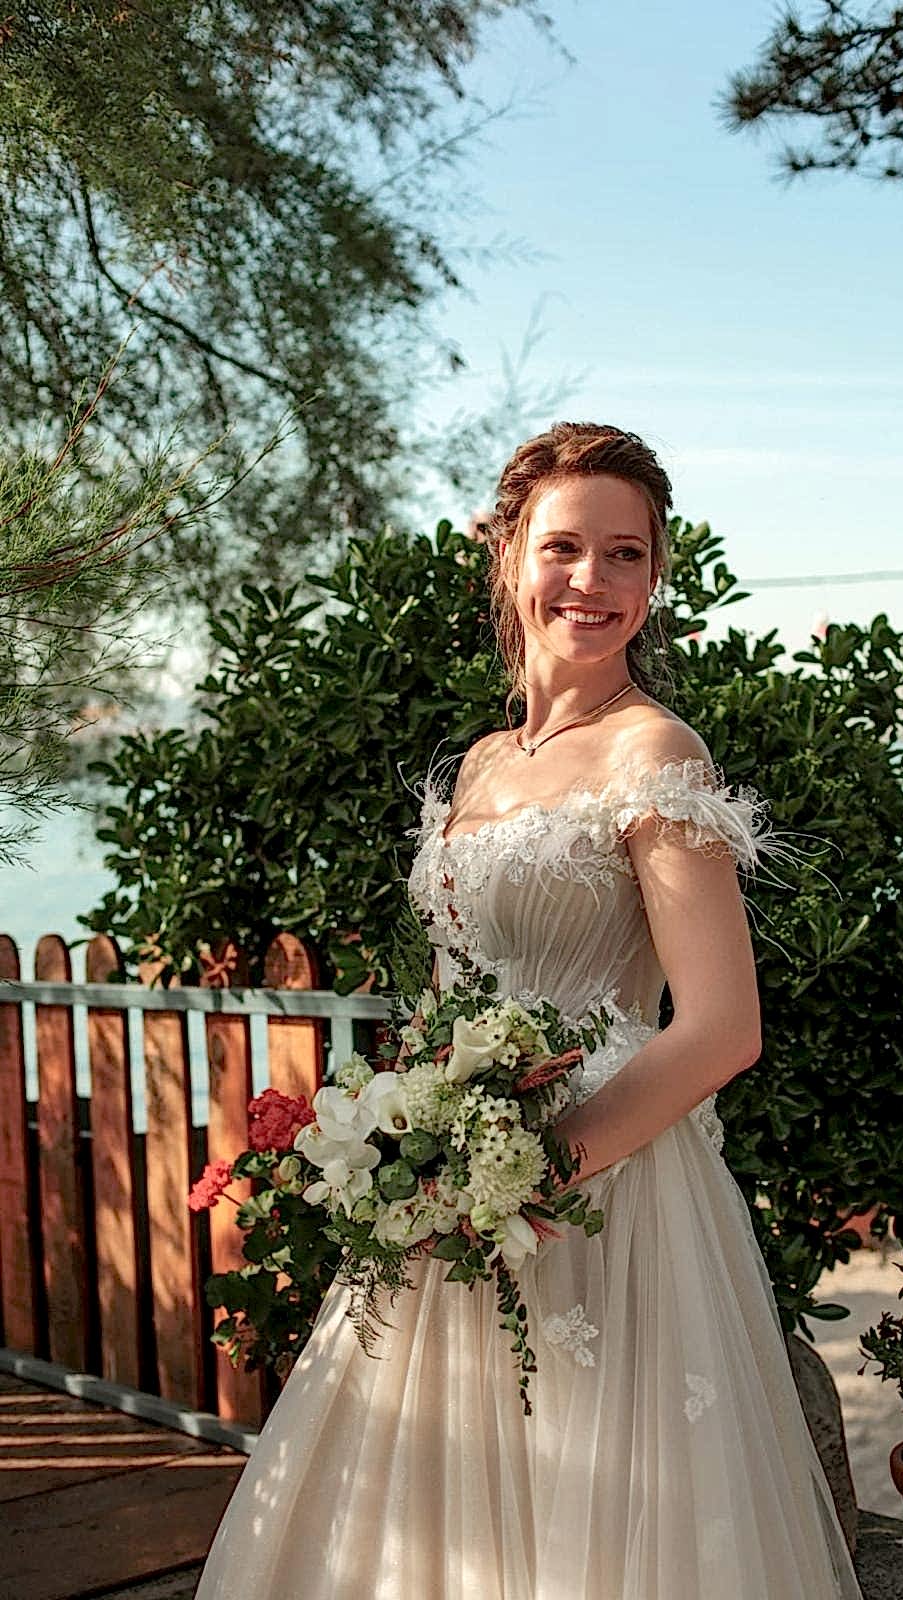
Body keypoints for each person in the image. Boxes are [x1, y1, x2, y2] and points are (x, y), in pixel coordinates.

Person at [195, 422, 863, 1599]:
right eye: (563, 547)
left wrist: (534, 1170)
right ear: (509, 558)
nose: (591, 580)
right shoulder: (482, 765)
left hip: (609, 1196)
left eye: (625, 554)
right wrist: (413, 1144)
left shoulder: (656, 751)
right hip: (459, 1190)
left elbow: (721, 1027)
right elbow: (454, 994)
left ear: (655, 576)